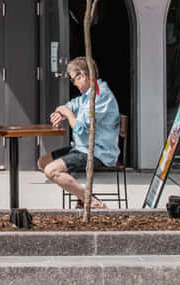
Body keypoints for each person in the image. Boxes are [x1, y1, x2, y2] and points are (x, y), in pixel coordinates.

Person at [38, 57, 120, 209]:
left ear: (82, 75)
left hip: (97, 152)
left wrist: (69, 115)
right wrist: (61, 112)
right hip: (82, 148)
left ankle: (92, 201)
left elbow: (82, 130)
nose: (74, 84)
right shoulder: (87, 94)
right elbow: (72, 105)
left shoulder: (100, 96)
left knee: (51, 170)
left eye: (73, 79)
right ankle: (83, 196)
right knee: (43, 162)